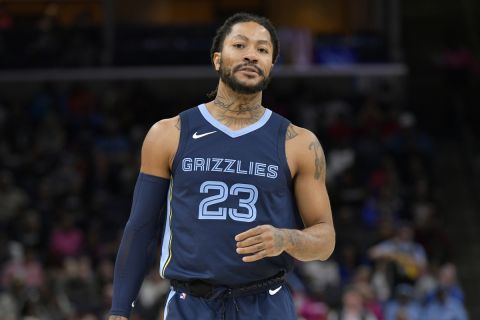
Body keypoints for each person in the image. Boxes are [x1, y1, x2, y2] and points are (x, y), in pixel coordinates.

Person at [109, 12, 335, 320]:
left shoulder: (298, 143)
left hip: (266, 303)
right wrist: (119, 310)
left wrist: (286, 238)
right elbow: (140, 227)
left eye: (262, 50)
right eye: (240, 45)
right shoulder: (168, 133)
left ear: (271, 66)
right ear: (217, 59)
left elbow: (325, 239)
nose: (251, 55)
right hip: (191, 303)